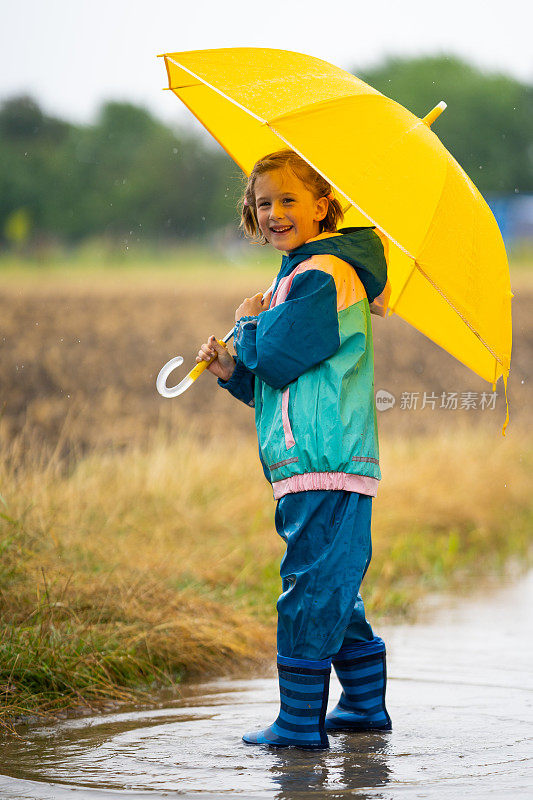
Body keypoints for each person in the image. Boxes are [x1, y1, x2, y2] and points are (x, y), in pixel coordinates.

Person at [196, 149, 392, 750]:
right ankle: (362, 704)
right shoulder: (300, 274)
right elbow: (272, 381)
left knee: (310, 587)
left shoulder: (320, 274)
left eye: (289, 201)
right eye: (263, 203)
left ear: (323, 207)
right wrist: (233, 367)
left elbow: (278, 356)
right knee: (332, 588)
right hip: (306, 462)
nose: (275, 213)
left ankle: (299, 723)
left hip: (325, 461)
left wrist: (247, 323)